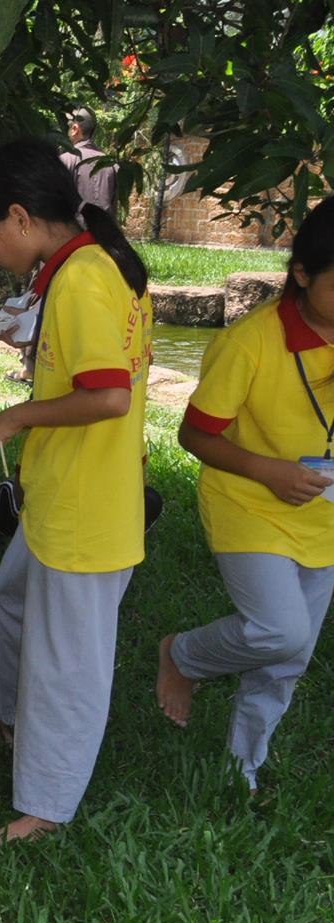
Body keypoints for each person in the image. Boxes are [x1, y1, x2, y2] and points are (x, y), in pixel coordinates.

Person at [0, 137, 153, 841]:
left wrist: (18, 415)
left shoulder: (81, 278)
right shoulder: (94, 265)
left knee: (66, 666)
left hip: (85, 507)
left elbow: (107, 395)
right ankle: (0, 717)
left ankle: (46, 806)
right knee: (8, 601)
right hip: (70, 492)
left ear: (19, 216)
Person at [156, 197, 334, 792]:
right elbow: (193, 435)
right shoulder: (251, 341)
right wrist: (269, 471)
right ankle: (182, 655)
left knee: (290, 657)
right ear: (302, 274)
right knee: (280, 631)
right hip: (248, 501)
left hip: (322, 511)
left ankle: (243, 770)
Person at [59, 109, 118, 217]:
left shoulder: (65, 160)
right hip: (104, 227)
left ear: (74, 129)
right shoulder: (111, 164)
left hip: (75, 228)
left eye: (68, 126)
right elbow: (114, 209)